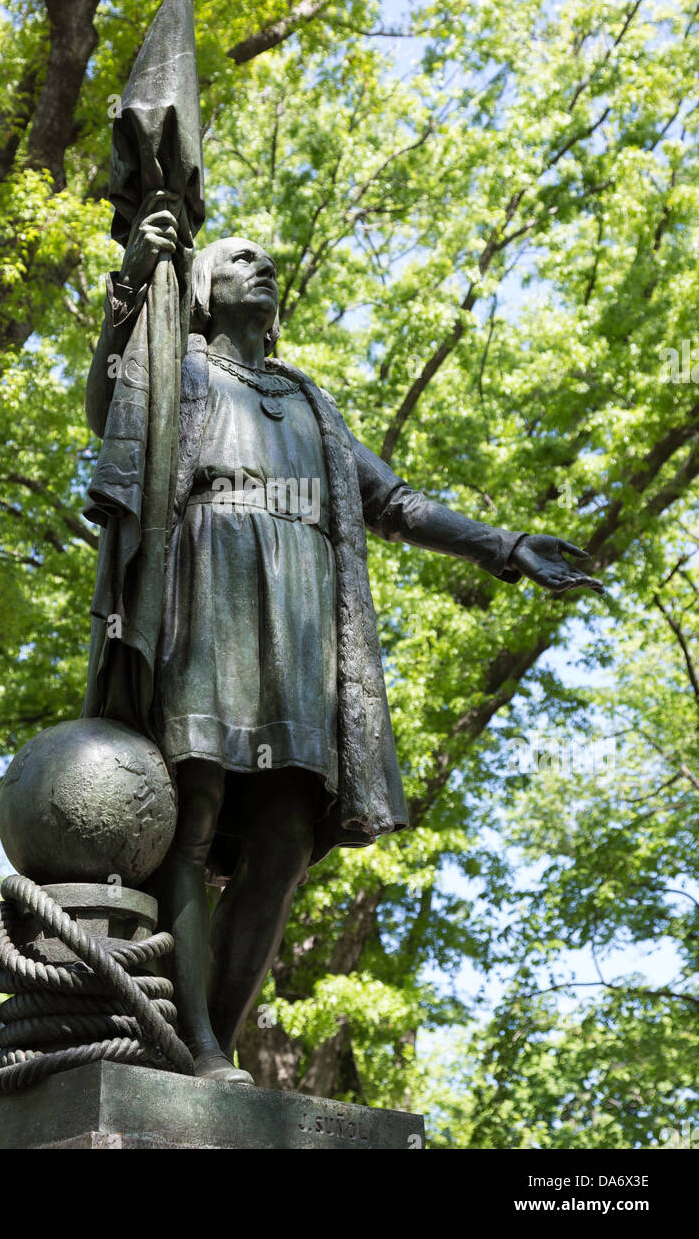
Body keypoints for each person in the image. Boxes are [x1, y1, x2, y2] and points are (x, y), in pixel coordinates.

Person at [86, 209, 602, 1083]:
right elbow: (112, 407)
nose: (265, 267)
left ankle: (211, 1033)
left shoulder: (310, 405)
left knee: (288, 835)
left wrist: (505, 547)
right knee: (194, 805)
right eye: (242, 258)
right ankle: (199, 1050)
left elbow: (395, 503)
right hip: (210, 586)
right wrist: (132, 290)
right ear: (205, 291)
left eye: (270, 262)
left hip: (298, 622)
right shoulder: (183, 371)